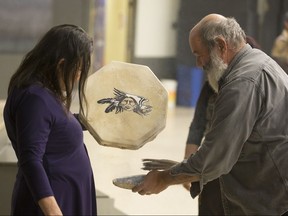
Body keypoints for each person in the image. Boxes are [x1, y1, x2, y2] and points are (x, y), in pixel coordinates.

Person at [132, 13, 288, 215]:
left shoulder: (242, 83)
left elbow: (215, 159)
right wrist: (184, 168)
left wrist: (164, 179)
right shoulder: (259, 62)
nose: (198, 64)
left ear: (221, 46)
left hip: (274, 200)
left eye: (199, 55)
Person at [3, 24, 97, 215]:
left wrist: (96, 122)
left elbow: (56, 126)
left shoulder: (43, 93)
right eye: (78, 69)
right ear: (61, 64)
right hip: (53, 202)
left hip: (64, 196)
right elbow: (31, 159)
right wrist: (53, 211)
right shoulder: (35, 98)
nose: (78, 77)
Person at [183, 35, 262, 215]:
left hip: (246, 172)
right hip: (213, 166)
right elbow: (197, 125)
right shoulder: (211, 85)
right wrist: (187, 164)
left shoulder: (253, 83)